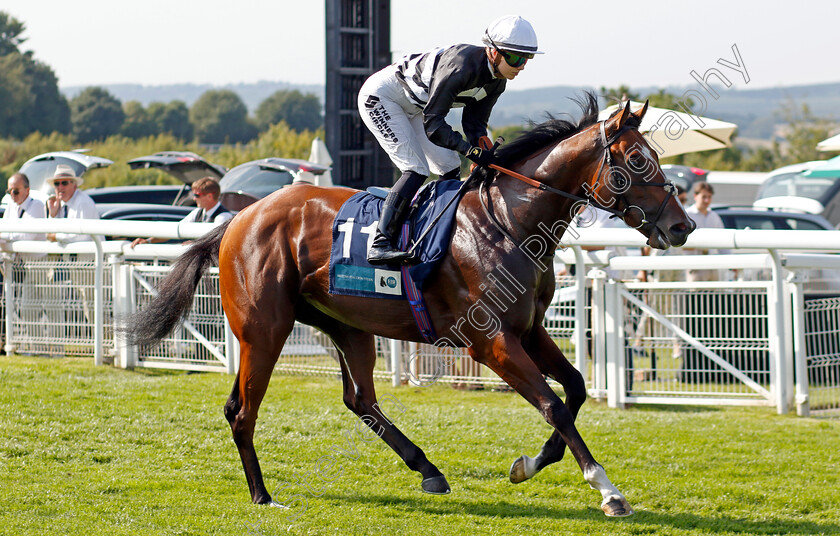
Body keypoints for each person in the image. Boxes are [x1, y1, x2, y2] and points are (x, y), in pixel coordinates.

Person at [358, 15, 542, 264]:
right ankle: (380, 243)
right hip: (382, 98)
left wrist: (483, 151)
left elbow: (474, 124)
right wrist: (470, 151)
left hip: (415, 108)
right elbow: (434, 125)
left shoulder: (497, 82)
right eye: (516, 58)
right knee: (415, 169)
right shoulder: (460, 67)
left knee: (449, 167)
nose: (521, 66)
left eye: (527, 59)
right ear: (493, 51)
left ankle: (436, 232)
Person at [131, 176, 232, 248]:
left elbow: (214, 241)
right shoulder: (197, 212)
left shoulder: (223, 216)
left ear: (210, 196)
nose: (194, 198)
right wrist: (148, 241)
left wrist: (193, 243)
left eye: (197, 195)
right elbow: (175, 230)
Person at [46, 165, 99, 242]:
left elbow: (83, 237)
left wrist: (56, 237)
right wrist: (52, 215)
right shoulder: (58, 204)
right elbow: (49, 234)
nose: (60, 187)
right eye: (57, 184)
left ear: (74, 185)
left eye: (64, 183)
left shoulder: (83, 202)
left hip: (91, 253)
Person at [684, 181, 725, 282]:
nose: (707, 200)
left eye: (709, 197)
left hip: (712, 265)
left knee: (714, 296)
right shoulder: (687, 215)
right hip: (694, 266)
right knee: (695, 296)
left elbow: (723, 242)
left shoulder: (714, 216)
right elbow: (681, 243)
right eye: (704, 197)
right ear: (695, 196)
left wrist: (732, 264)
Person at [1, 172, 47, 241]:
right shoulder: (10, 206)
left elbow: (28, 236)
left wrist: (4, 236)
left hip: (30, 250)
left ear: (27, 190)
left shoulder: (37, 205)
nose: (12, 194)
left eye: (16, 191)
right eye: (9, 191)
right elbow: (4, 229)